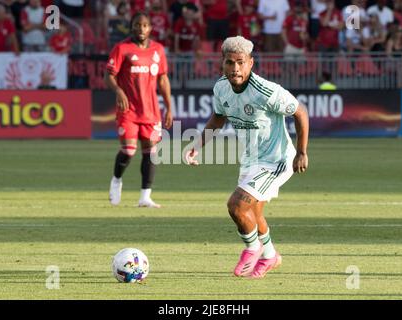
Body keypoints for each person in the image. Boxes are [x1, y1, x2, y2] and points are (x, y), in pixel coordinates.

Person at [185, 36, 309, 278]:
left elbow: (300, 112)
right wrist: (197, 145)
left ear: (251, 63)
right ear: (222, 63)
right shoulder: (221, 87)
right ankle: (271, 256)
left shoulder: (266, 91)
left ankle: (253, 248)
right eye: (230, 63)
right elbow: (218, 118)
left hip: (277, 160)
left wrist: (302, 151)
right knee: (254, 213)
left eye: (240, 62)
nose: (235, 69)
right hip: (251, 159)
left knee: (236, 206)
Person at [105, 12, 173, 208]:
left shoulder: (158, 50)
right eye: (137, 25)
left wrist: (169, 107)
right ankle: (116, 180)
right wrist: (118, 91)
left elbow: (163, 79)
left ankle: (145, 197)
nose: (141, 29)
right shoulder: (122, 48)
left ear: (150, 28)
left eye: (144, 25)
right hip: (129, 110)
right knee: (128, 150)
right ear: (131, 26)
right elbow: (108, 76)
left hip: (151, 111)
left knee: (151, 153)